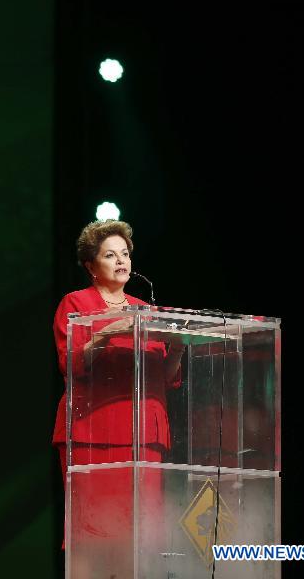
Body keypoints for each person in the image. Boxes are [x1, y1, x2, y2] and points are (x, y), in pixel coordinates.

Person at [52, 220, 183, 561]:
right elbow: (72, 365)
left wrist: (179, 347)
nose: (121, 261)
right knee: (95, 535)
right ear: (90, 266)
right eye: (110, 255)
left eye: (124, 254)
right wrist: (108, 332)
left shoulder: (147, 310)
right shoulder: (75, 304)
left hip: (144, 434)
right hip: (93, 432)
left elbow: (166, 378)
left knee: (142, 536)